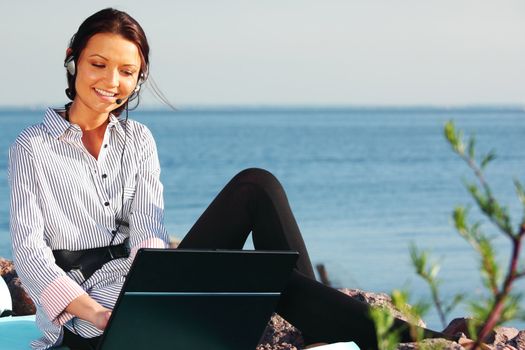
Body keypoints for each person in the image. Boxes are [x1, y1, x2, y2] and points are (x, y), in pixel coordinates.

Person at [9, 8, 457, 350]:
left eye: (127, 71)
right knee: (275, 278)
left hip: (141, 288)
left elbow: (148, 236)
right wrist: (102, 315)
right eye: (98, 64)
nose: (112, 81)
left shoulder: (138, 140)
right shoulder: (33, 147)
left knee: (256, 186)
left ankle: (376, 334)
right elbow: (29, 254)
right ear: (73, 61)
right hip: (86, 320)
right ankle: (421, 340)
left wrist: (159, 292)